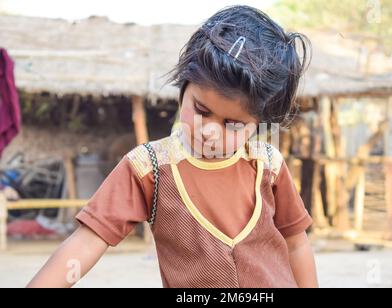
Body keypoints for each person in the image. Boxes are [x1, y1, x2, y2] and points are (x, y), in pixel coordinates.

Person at [28, 5, 318, 288]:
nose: (209, 132)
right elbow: (87, 242)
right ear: (184, 87)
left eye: (233, 124)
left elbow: (295, 244)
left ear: (259, 122)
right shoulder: (149, 168)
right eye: (202, 110)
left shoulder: (268, 165)